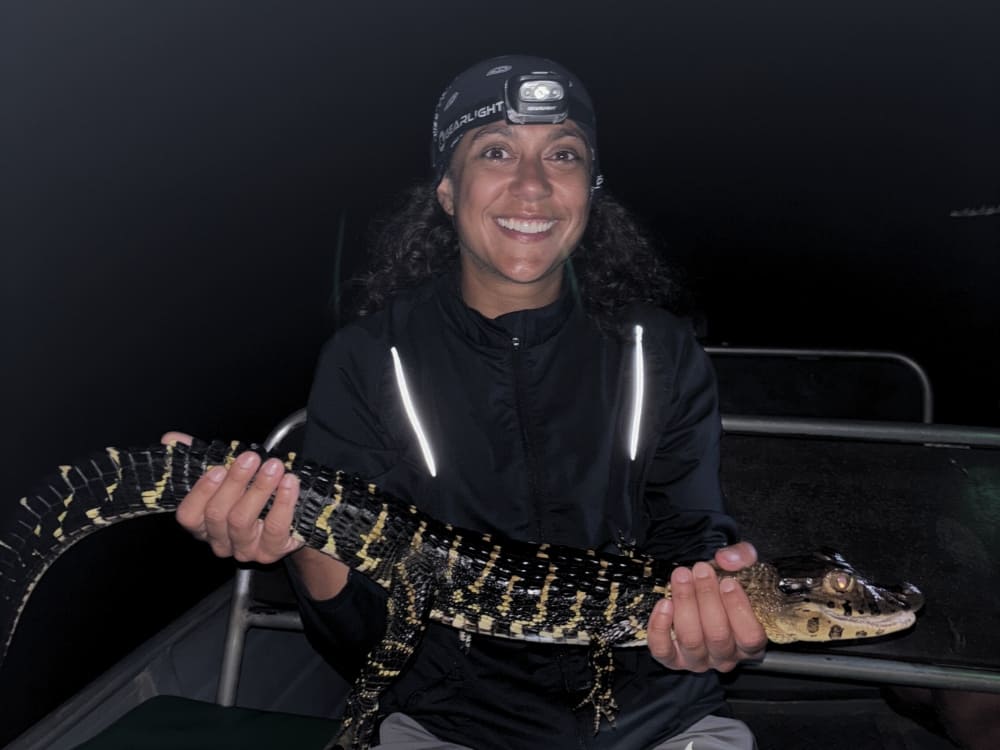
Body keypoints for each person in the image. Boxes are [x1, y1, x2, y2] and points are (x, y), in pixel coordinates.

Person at [166, 54, 767, 749]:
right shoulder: (368, 359)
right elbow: (360, 639)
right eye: (496, 151)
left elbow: (691, 535)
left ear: (590, 189)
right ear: (448, 191)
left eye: (563, 155)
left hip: (657, 719)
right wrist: (300, 543)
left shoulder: (657, 348)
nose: (533, 184)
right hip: (448, 724)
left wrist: (712, 615)